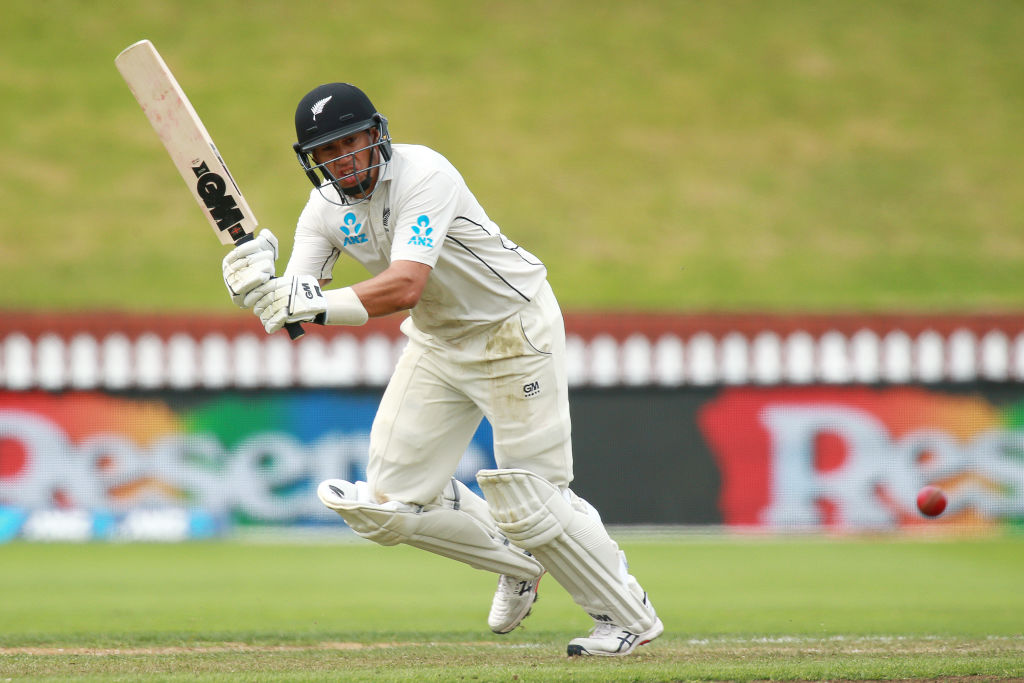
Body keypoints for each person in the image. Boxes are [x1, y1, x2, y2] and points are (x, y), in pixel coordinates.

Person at [221, 83, 663, 656]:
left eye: (350, 142)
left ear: (376, 134)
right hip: (437, 344)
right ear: (312, 161)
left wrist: (304, 302)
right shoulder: (324, 211)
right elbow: (299, 308)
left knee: (533, 497)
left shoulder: (424, 175)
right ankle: (518, 562)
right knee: (384, 507)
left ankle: (626, 618)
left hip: (513, 331)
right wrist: (259, 288)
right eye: (326, 152)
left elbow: (406, 284)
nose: (341, 160)